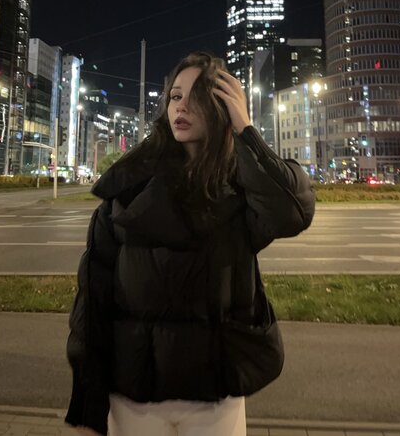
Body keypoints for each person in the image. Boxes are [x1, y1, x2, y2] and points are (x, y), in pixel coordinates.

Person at [65, 51, 315, 436]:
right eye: (175, 96)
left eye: (197, 97)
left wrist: (246, 129)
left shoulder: (242, 191)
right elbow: (93, 306)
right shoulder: (128, 188)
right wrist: (88, 410)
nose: (181, 107)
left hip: (214, 400)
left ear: (222, 107)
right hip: (133, 399)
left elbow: (291, 213)